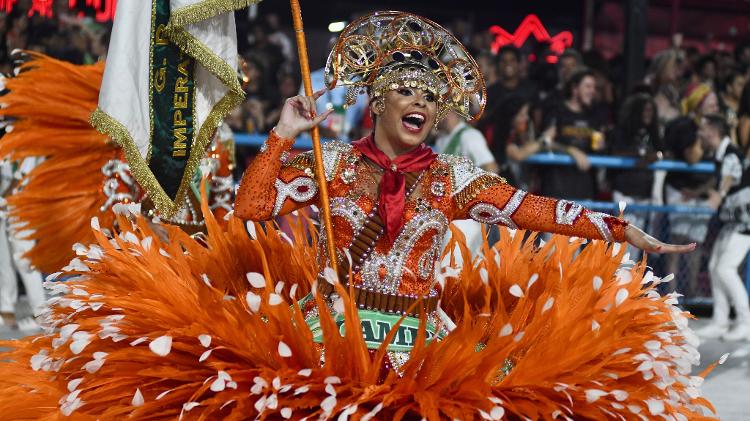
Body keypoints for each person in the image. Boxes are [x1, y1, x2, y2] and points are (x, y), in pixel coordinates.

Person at [0, 12, 713, 420]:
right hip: (331, 339)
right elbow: (250, 209)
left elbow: (538, 210)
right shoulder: (333, 163)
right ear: (377, 103)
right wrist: (281, 133)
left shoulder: (454, 178)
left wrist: (616, 227)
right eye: (406, 91)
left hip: (425, 348)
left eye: (431, 97)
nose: (422, 105)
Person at [696, 114, 750, 341]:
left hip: (745, 222)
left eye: (702, 130)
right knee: (715, 265)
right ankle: (720, 321)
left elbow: (730, 175)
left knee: (725, 269)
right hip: (733, 221)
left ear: (712, 132)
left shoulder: (730, 155)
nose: (699, 135)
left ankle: (745, 322)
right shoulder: (722, 154)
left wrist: (720, 193)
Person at [663, 117, 717, 295]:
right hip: (679, 189)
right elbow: (692, 157)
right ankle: (672, 295)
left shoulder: (712, 138)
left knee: (696, 246)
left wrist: (700, 191)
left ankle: (692, 294)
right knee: (676, 244)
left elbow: (720, 172)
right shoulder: (683, 129)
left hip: (699, 193)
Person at [608, 93, 664, 260]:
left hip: (644, 195)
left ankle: (628, 282)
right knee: (621, 244)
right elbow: (614, 152)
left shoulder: (653, 133)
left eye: (651, 111)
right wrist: (638, 156)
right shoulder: (623, 131)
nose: (648, 114)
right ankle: (614, 282)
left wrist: (655, 156)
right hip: (625, 194)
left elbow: (663, 152)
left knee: (636, 247)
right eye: (645, 110)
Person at [435, 110, 498, 256]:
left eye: (441, 110)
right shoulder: (442, 139)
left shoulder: (470, 136)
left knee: (459, 262)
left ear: (452, 112)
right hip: (448, 212)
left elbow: (491, 168)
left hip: (467, 215)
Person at [539, 68, 604, 200]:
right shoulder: (557, 112)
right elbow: (544, 142)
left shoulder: (593, 116)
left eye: (594, 87)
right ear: (575, 89)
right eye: (588, 86)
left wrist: (600, 145)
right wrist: (570, 150)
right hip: (557, 190)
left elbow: (597, 148)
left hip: (584, 191)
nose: (593, 91)